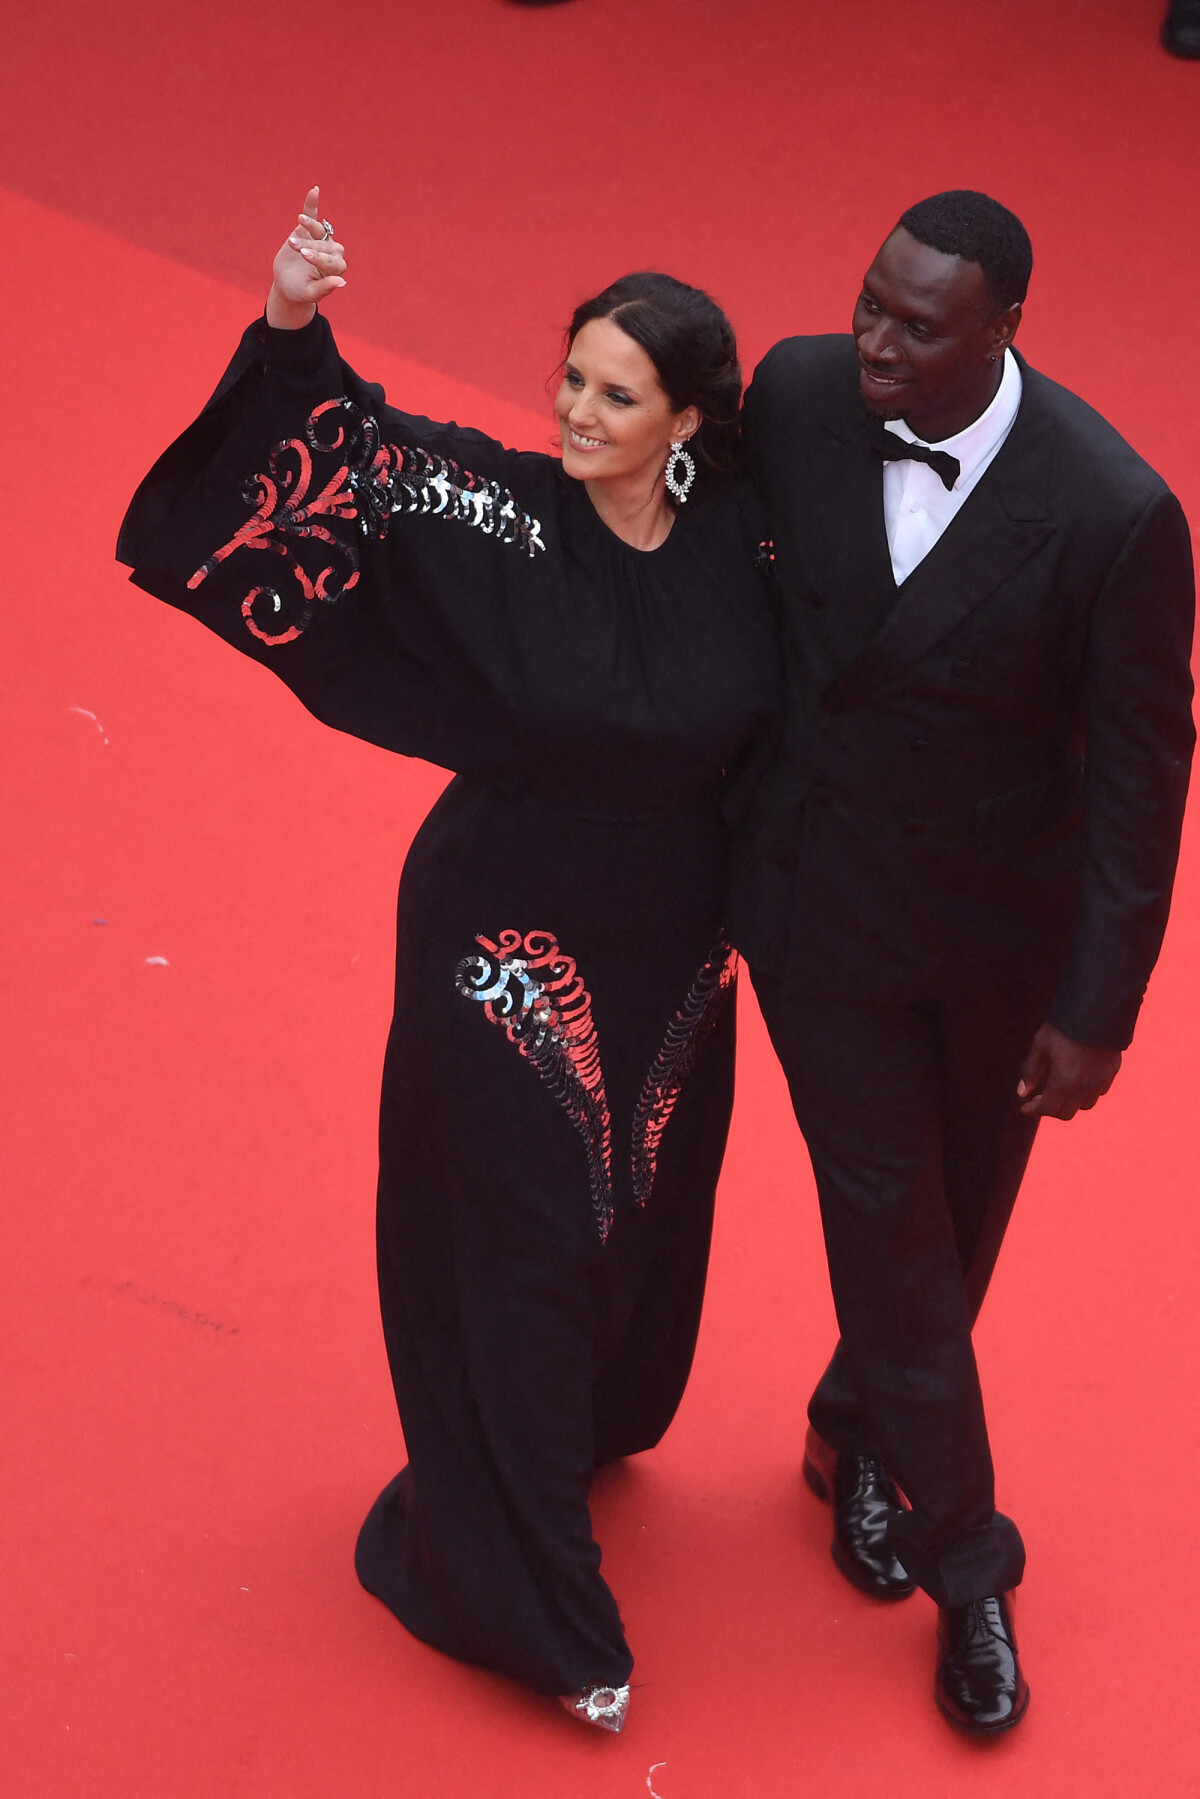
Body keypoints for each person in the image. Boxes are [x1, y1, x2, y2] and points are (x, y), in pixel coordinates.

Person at [117, 190, 778, 1732]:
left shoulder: (750, 546)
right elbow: (345, 448)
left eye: (618, 395)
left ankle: (579, 1436)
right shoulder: (500, 512)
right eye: (570, 379)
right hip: (503, 950)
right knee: (521, 1249)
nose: (578, 414)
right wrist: (289, 322)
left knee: (634, 1214)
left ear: (687, 417)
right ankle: (533, 1598)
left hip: (677, 956)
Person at [732, 189, 1195, 1736]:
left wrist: (1096, 1010)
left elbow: (1143, 776)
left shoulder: (1115, 510)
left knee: (962, 1220)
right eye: (867, 299)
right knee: (899, 1230)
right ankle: (970, 1571)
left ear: (1005, 330)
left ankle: (856, 1435)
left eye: (913, 324)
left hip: (1000, 942)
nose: (870, 337)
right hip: (818, 909)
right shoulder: (796, 394)